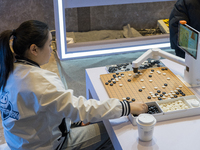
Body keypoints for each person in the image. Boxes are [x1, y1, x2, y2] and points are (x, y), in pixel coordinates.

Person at [0, 20, 148, 150]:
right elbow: (80, 108)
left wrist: (73, 122)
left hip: (21, 142)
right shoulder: (40, 82)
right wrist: (126, 107)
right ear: (34, 49)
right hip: (45, 146)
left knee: (94, 118)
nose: (51, 50)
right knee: (113, 129)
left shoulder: (8, 69)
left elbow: (48, 109)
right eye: (49, 44)